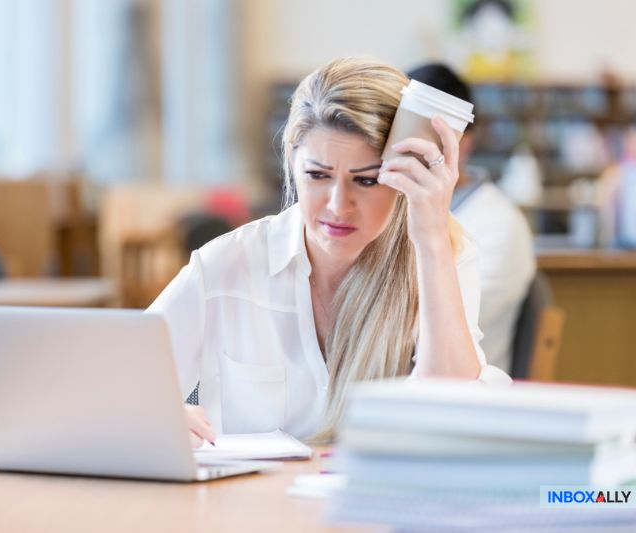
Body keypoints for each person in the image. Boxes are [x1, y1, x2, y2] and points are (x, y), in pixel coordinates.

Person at [147, 57, 511, 446]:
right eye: (318, 175)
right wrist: (153, 417)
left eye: (367, 180)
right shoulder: (225, 266)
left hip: (377, 503)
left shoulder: (444, 256)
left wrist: (431, 235)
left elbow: (451, 414)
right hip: (251, 505)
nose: (339, 205)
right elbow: (115, 389)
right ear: (292, 163)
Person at [407, 63, 536, 374]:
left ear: (462, 141)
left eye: (421, 133)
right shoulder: (390, 208)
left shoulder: (500, 224)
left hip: (466, 398)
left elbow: (444, 327)